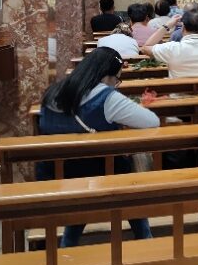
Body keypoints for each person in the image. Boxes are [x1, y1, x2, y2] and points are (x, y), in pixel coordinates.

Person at [36, 47, 159, 247]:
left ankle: (68, 244)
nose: (116, 85)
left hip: (52, 175)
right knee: (126, 177)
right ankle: (145, 239)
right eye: (117, 80)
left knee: (84, 185)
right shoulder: (106, 96)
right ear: (106, 76)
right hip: (96, 174)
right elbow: (152, 121)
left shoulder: (53, 91)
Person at [146, 5, 198, 77]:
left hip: (178, 89)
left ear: (183, 28)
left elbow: (146, 47)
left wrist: (167, 25)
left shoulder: (171, 48)